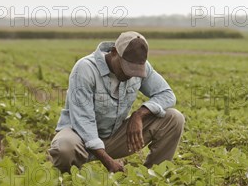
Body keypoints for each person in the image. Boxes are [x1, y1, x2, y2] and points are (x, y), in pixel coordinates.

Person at [48, 31, 185, 173]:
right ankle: (67, 180)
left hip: (114, 136)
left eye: (135, 71)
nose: (130, 74)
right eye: (126, 68)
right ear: (114, 52)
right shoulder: (85, 69)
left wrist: (139, 114)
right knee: (64, 148)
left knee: (174, 118)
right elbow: (83, 120)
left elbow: (167, 94)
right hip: (79, 137)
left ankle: (154, 176)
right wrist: (107, 161)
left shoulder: (141, 66)